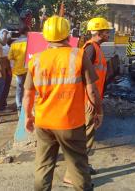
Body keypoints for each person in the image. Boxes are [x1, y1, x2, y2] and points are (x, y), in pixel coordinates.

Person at [22, 15, 103, 191]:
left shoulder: (36, 59)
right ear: (68, 35)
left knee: (43, 165)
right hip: (70, 124)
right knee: (78, 166)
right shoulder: (78, 55)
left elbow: (27, 95)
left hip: (43, 123)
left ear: (46, 37)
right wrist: (98, 112)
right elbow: (92, 90)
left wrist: (28, 117)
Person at [63, 17, 110, 184]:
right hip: (88, 99)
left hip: (91, 97)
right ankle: (72, 174)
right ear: (98, 32)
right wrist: (92, 102)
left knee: (87, 135)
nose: (108, 33)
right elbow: (82, 76)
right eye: (106, 31)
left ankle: (82, 165)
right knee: (86, 136)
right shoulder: (91, 49)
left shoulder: (95, 48)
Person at [8, 25, 28, 114]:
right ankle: (27, 105)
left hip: (18, 70)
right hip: (29, 70)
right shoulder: (30, 42)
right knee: (28, 88)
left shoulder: (14, 44)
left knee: (19, 89)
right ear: (27, 32)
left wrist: (12, 69)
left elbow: (10, 58)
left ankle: (19, 106)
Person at [0, 29, 12, 111]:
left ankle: (3, 103)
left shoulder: (6, 46)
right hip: (4, 70)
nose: (5, 36)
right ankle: (1, 106)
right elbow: (5, 60)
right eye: (4, 34)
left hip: (6, 69)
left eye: (6, 34)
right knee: (4, 88)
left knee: (5, 88)